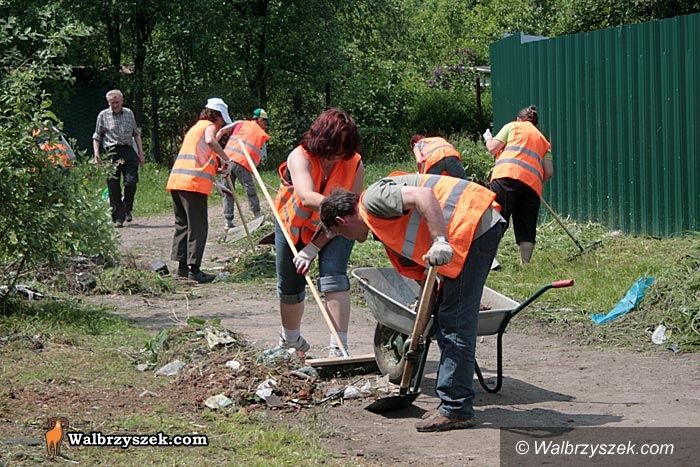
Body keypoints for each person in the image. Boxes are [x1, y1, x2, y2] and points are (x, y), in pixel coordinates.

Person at [319, 173, 505, 432]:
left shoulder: (372, 200)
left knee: (454, 322)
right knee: (446, 318)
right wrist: (416, 334)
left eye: (341, 234)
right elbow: (426, 283)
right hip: (469, 229)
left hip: (471, 224)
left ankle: (455, 409)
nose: (348, 239)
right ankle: (452, 404)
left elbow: (423, 195)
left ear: (342, 221)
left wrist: (440, 241)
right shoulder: (385, 230)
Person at [273, 108, 364, 357]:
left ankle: (339, 347)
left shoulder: (355, 164)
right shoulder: (299, 156)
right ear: (322, 138)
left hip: (337, 225)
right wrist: (341, 210)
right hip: (293, 226)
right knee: (290, 284)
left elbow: (350, 209)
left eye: (345, 148)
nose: (339, 154)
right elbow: (306, 196)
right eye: (335, 146)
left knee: (334, 276)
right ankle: (291, 341)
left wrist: (314, 247)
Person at [166, 98, 233, 284]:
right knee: (198, 226)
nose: (221, 124)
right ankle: (194, 271)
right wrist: (226, 159)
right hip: (193, 184)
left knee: (183, 225)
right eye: (222, 120)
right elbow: (211, 141)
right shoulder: (208, 126)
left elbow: (200, 157)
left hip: (177, 181)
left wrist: (217, 168)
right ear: (216, 116)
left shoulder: (195, 128)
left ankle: (182, 269)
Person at [483, 105, 553, 264]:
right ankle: (525, 264)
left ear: (519, 119)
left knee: (497, 218)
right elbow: (548, 171)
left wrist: (488, 138)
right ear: (535, 124)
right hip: (531, 186)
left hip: (506, 177)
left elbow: (493, 148)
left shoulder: (512, 127)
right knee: (527, 226)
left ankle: (489, 260)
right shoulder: (543, 141)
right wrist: (535, 182)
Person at [92, 89, 145, 228]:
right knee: (113, 185)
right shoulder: (103, 115)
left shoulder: (129, 113)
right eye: (112, 103)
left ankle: (127, 208)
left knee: (131, 182)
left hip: (128, 150)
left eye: (117, 102)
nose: (114, 105)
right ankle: (118, 217)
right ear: (108, 103)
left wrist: (141, 153)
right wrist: (96, 154)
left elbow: (136, 133)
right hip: (111, 152)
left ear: (122, 101)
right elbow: (97, 136)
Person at [216, 108, 270, 229]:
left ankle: (228, 222)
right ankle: (258, 217)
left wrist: (212, 146)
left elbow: (222, 130)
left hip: (226, 160)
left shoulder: (241, 123)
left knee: (227, 191)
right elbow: (259, 154)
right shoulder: (259, 132)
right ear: (260, 119)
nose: (266, 125)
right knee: (249, 189)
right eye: (265, 121)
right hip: (241, 162)